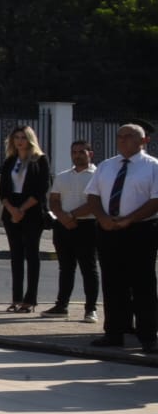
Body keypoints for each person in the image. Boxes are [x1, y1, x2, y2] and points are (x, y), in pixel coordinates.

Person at [84, 123, 158, 352]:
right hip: (108, 229)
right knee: (113, 282)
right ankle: (114, 332)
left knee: (143, 283)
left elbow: (155, 201)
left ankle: (148, 336)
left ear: (143, 141)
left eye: (129, 136)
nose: (123, 140)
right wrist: (103, 218)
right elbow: (93, 196)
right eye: (119, 136)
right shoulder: (106, 165)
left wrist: (130, 219)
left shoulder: (153, 166)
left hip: (140, 230)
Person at [41, 139, 100, 321]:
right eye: (74, 152)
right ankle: (61, 306)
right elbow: (54, 200)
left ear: (90, 154)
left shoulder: (98, 176)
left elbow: (94, 203)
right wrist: (62, 217)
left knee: (88, 268)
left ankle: (90, 309)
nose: (77, 155)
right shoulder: (62, 176)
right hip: (63, 226)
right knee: (66, 268)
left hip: (87, 226)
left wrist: (71, 216)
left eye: (82, 152)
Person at [0, 125, 50, 312]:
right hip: (11, 212)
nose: (20, 141)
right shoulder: (10, 161)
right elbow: (2, 190)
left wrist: (22, 210)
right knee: (16, 255)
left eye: (23, 137)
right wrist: (12, 210)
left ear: (30, 139)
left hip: (32, 211)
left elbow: (41, 189)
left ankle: (30, 299)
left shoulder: (39, 160)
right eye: (17, 137)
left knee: (32, 254)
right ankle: (16, 298)